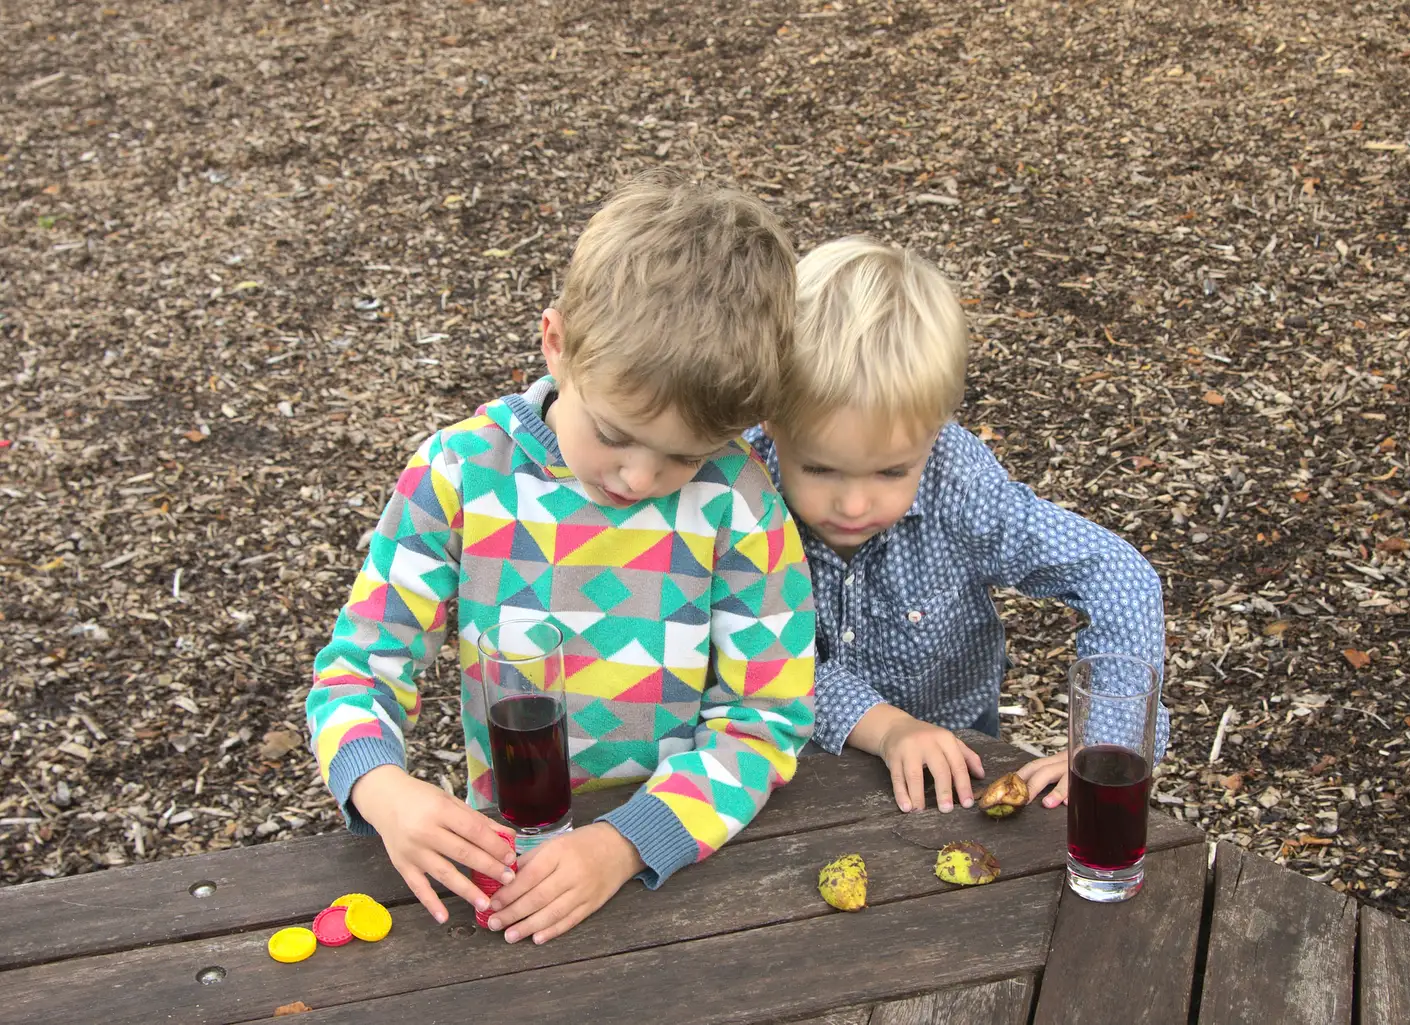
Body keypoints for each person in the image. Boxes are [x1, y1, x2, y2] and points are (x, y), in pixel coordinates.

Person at [307, 179, 815, 945]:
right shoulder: (459, 475)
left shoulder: (738, 502)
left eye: (682, 456)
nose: (638, 479)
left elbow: (764, 717)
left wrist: (623, 842)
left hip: (676, 865)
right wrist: (383, 790)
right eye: (613, 433)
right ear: (557, 341)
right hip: (509, 865)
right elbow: (359, 668)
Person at [745, 235, 1167, 816]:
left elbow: (1117, 576)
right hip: (793, 765)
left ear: (937, 429)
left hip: (958, 761)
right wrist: (888, 728)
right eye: (820, 468)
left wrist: (1109, 736)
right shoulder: (742, 488)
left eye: (892, 470)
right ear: (768, 420)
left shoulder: (959, 489)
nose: (852, 504)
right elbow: (755, 649)